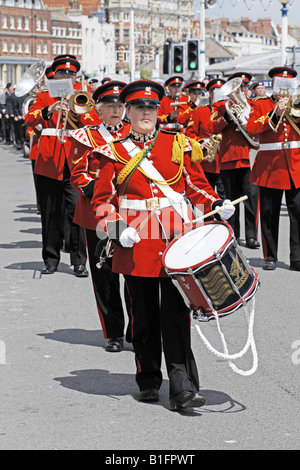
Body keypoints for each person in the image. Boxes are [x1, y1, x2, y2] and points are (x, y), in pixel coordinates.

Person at [91, 79, 235, 411]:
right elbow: (100, 203)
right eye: (139, 108)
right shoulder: (112, 151)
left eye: (151, 108)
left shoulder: (177, 144)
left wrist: (217, 201)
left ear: (159, 111)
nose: (146, 113)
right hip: (135, 243)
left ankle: (183, 387)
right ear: (127, 112)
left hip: (176, 242)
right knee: (143, 318)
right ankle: (148, 379)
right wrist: (115, 229)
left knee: (176, 315)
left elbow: (195, 186)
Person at [68, 81, 132, 352]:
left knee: (133, 273)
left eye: (120, 106)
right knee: (104, 275)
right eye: (110, 106)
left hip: (131, 213)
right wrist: (102, 191)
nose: (116, 111)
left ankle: (137, 329)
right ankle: (114, 332)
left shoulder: (135, 132)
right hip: (97, 213)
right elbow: (78, 175)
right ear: (99, 110)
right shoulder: (86, 136)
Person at [24, 56, 99, 276]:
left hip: (75, 162)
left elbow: (94, 123)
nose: (65, 77)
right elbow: (30, 118)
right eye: (61, 74)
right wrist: (50, 109)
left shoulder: (83, 96)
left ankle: (78, 261)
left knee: (76, 212)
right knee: (50, 213)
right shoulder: (43, 96)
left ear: (75, 77)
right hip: (49, 161)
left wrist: (77, 110)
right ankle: (50, 259)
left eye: (70, 74)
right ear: (54, 75)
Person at [247, 66, 300, 271]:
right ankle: (270, 256)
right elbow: (252, 128)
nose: (284, 90)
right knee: (269, 213)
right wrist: (275, 112)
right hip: (270, 166)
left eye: (287, 85)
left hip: (296, 164)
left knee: (298, 213)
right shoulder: (261, 104)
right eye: (281, 85)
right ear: (273, 86)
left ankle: (297, 258)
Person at [210, 72, 260, 249]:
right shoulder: (221, 107)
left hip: (249, 157)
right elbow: (213, 127)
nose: (241, 90)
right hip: (229, 159)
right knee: (231, 201)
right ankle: (234, 235)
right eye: (239, 88)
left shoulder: (253, 106)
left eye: (244, 87)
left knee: (252, 199)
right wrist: (228, 117)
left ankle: (251, 236)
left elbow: (258, 127)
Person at [185, 78, 226, 200]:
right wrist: (201, 142)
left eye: (221, 91)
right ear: (209, 93)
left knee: (224, 196)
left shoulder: (228, 112)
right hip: (206, 159)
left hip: (224, 159)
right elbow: (189, 132)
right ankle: (204, 219)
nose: (218, 94)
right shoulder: (199, 111)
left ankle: (223, 219)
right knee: (205, 194)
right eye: (214, 91)